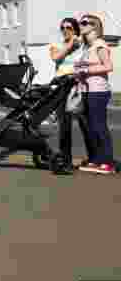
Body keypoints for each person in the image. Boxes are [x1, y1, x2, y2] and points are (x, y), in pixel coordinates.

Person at [73, 14, 115, 174]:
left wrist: (86, 69)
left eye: (84, 23)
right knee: (90, 128)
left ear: (94, 26)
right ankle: (96, 160)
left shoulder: (100, 44)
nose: (81, 25)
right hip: (86, 91)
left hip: (98, 91)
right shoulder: (87, 47)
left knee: (99, 127)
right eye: (80, 23)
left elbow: (108, 66)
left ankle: (107, 162)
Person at [50, 17, 91, 174]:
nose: (66, 30)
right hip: (61, 85)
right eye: (63, 27)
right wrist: (69, 46)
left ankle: (94, 158)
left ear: (75, 30)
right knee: (64, 125)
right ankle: (65, 160)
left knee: (85, 123)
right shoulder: (57, 44)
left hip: (77, 84)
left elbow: (84, 63)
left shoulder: (82, 46)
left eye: (69, 27)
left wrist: (78, 71)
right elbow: (55, 57)